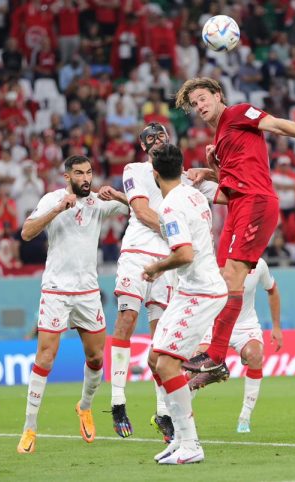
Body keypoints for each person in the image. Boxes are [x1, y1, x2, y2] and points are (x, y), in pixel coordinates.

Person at [176, 77, 295, 388]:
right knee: (221, 279)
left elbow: (278, 125)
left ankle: (214, 356)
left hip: (256, 204)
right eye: (194, 103)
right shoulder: (222, 136)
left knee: (231, 279)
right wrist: (210, 171)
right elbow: (232, 186)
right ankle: (215, 356)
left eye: (202, 98)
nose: (199, 106)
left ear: (217, 95)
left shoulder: (239, 113)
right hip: (237, 207)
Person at [97, 122, 219, 441]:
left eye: (160, 137)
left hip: (169, 260)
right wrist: (177, 231)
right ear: (142, 146)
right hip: (138, 252)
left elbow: (230, 192)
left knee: (160, 338)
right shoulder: (135, 170)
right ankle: (118, 402)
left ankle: (163, 413)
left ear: (169, 140)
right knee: (126, 319)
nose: (155, 142)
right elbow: (141, 210)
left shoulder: (185, 175)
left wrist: (211, 171)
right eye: (148, 139)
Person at [16, 156, 129, 455]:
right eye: (79, 173)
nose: (86, 178)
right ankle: (30, 427)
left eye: (89, 172)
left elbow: (137, 209)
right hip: (56, 291)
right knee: (45, 358)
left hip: (88, 292)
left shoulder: (97, 202)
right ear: (67, 176)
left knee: (95, 359)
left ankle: (85, 406)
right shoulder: (52, 199)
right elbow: (26, 233)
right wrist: (57, 209)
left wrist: (117, 195)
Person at [143, 144, 227, 465]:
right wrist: (209, 170)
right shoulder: (193, 192)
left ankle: (191, 444)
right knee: (155, 360)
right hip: (190, 289)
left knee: (167, 365)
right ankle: (179, 438)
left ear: (154, 174)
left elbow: (184, 254)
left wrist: (154, 268)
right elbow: (230, 194)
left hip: (201, 291)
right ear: (180, 168)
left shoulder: (171, 206)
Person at [195, 258, 283, 434]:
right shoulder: (216, 263)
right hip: (215, 323)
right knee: (194, 368)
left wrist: (276, 327)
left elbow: (272, 290)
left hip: (245, 325)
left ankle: (245, 416)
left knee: (256, 356)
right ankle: (180, 419)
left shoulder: (260, 265)